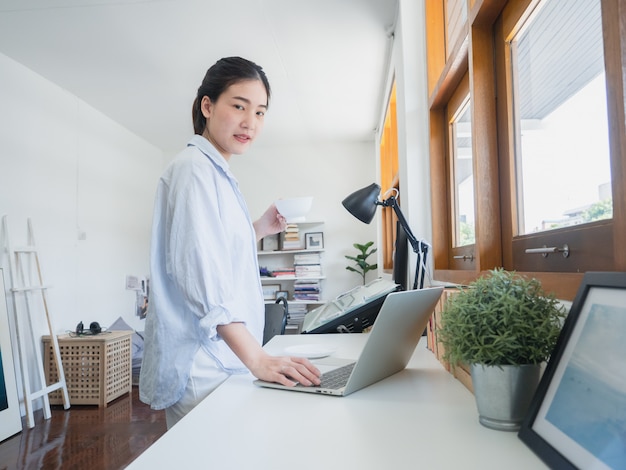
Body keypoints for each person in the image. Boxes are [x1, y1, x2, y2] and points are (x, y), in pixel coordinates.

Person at [139, 57, 321, 429]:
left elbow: (214, 249)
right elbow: (203, 278)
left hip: (223, 355)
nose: (250, 123)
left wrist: (258, 228)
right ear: (208, 106)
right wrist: (257, 358)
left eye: (260, 112)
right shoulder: (193, 170)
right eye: (238, 106)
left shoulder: (216, 171)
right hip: (203, 362)